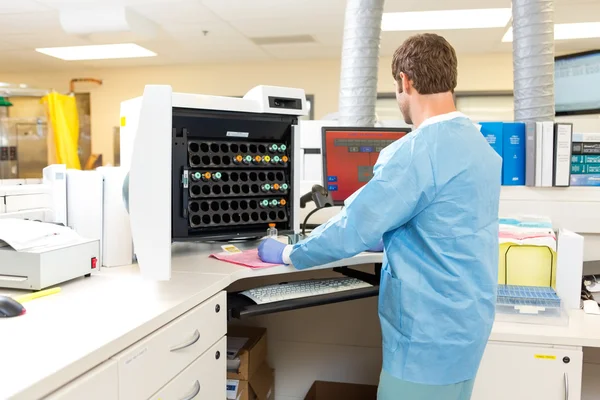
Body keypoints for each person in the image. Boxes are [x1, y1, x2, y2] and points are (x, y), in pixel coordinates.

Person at [258, 33, 501, 400]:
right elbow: (445, 221)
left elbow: (351, 227)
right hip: (467, 326)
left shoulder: (418, 150)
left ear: (406, 81)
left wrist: (288, 253)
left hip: (427, 338)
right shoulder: (478, 145)